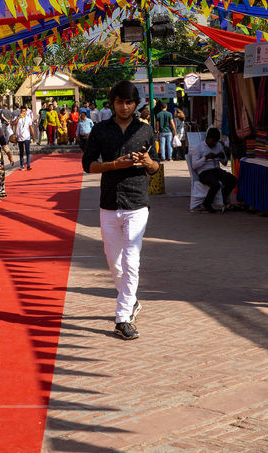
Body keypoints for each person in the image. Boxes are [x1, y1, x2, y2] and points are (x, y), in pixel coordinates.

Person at [82, 80, 160, 341]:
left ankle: (122, 317)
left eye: (129, 102)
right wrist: (114, 164)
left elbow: (155, 167)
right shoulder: (100, 130)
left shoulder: (146, 130)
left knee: (131, 261)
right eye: (119, 102)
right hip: (109, 203)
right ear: (112, 103)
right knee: (115, 263)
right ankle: (132, 301)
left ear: (136, 104)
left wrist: (149, 163)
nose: (124, 107)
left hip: (137, 203)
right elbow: (88, 165)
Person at [189, 127, 236, 213]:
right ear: (208, 138)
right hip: (204, 172)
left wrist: (222, 157)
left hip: (216, 170)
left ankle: (224, 197)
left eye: (216, 142)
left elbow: (225, 163)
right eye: (213, 141)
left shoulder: (218, 145)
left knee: (232, 179)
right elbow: (194, 165)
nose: (214, 144)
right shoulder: (198, 148)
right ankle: (207, 203)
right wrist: (205, 158)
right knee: (215, 184)